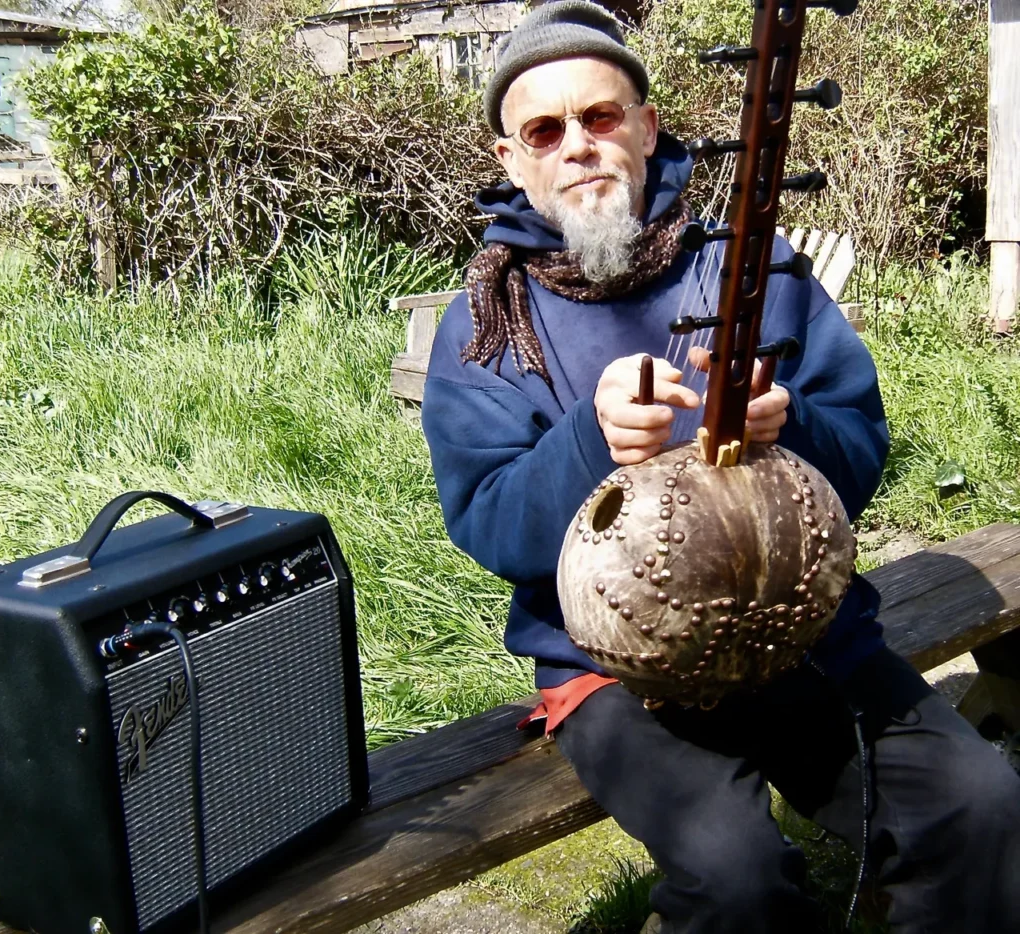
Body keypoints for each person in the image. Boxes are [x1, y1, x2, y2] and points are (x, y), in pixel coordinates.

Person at [420, 3, 1020, 931]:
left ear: (647, 127)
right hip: (612, 669)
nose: (577, 144)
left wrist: (795, 433)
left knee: (978, 806)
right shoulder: (487, 325)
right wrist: (593, 443)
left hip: (797, 628)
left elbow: (860, 446)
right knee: (736, 876)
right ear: (513, 160)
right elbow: (489, 520)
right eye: (545, 129)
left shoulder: (752, 265)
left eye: (602, 115)